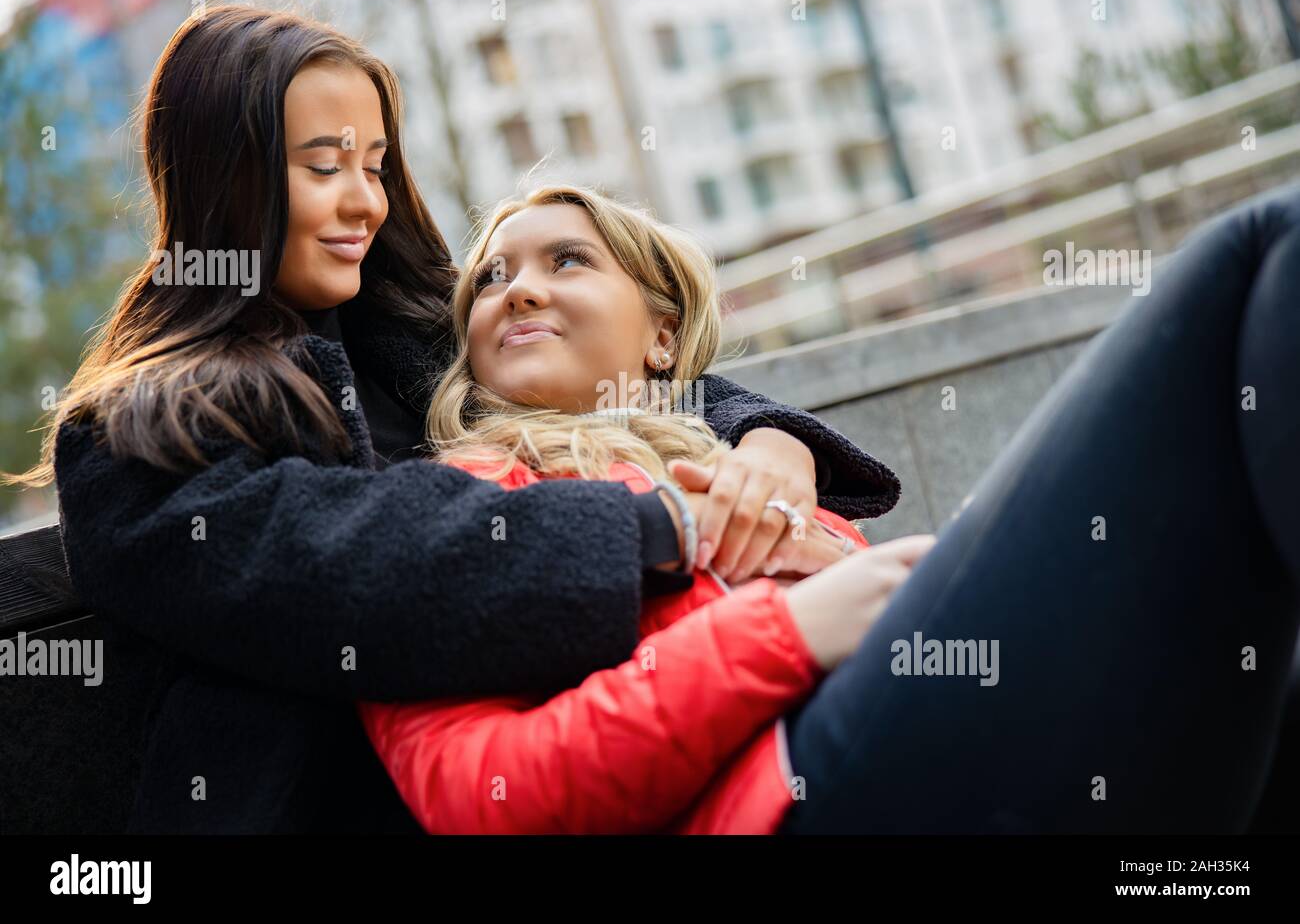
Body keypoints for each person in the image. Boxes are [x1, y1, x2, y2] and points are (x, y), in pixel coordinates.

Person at [0, 6, 898, 832]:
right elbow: (345, 561)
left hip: (617, 761)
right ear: (222, 178)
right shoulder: (136, 430)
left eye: (376, 164)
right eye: (324, 166)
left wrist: (770, 442)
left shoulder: (414, 335)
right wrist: (655, 528)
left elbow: (614, 383)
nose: (364, 201)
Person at [364, 180, 1300, 834]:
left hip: (934, 730)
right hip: (790, 798)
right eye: (491, 277)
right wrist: (786, 632)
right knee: (1264, 255)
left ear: (662, 338)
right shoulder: (443, 505)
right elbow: (478, 789)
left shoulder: (745, 457)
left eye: (568, 259)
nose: (518, 286)